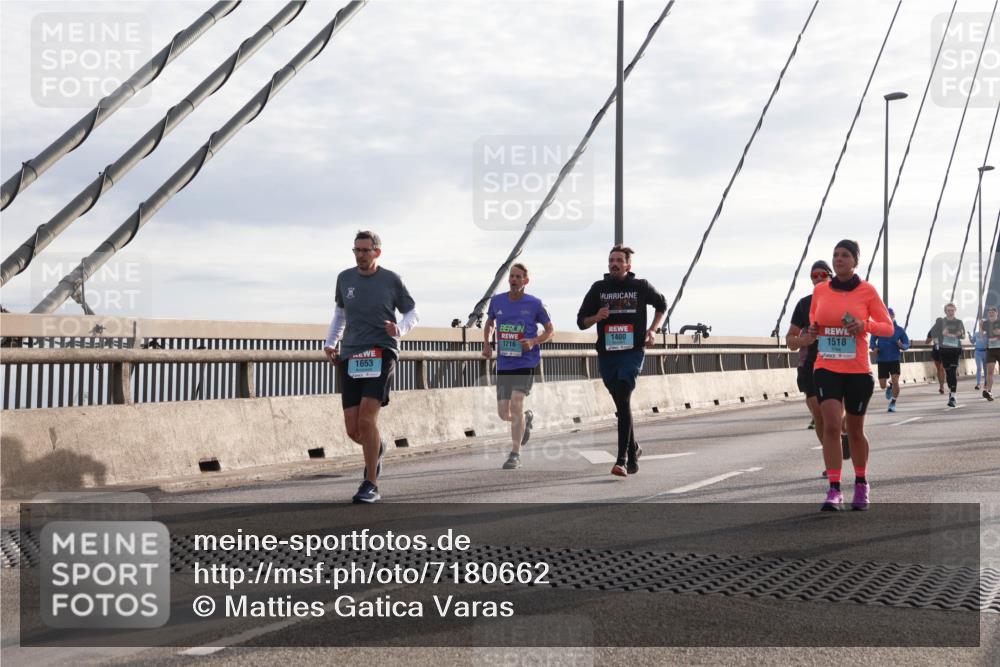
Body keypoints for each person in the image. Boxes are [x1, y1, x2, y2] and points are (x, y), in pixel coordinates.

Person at [324, 231, 418, 504]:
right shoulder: (344, 278)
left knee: (367, 419)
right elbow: (340, 314)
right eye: (356, 250)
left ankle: (371, 484)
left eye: (365, 250)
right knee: (354, 429)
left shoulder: (391, 280)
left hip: (381, 350)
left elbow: (413, 311)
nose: (360, 255)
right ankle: (376, 447)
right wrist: (331, 342)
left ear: (377, 252)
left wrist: (399, 328)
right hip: (351, 354)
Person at [807, 240, 893, 511]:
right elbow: (814, 322)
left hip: (857, 370)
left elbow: (887, 328)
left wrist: (864, 324)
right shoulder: (821, 291)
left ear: (855, 261)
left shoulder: (867, 291)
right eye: (835, 255)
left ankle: (861, 483)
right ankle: (834, 490)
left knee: (854, 431)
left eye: (845, 255)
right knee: (832, 425)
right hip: (826, 367)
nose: (839, 259)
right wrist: (811, 332)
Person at [577, 245, 666, 477]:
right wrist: (597, 317)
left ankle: (622, 460)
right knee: (622, 404)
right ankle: (634, 448)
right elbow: (581, 321)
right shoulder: (599, 288)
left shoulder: (640, 287)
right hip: (607, 354)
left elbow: (662, 305)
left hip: (632, 352)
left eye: (618, 260)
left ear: (628, 265)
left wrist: (652, 330)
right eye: (611, 260)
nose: (613, 264)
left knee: (624, 393)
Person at [482, 263, 555, 469]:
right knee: (503, 413)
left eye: (518, 277)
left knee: (516, 404)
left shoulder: (535, 304)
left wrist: (533, 341)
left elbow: (550, 331)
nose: (514, 280)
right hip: (505, 362)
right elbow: (490, 324)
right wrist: (487, 344)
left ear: (526, 281)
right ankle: (526, 418)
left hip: (525, 361)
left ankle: (515, 454)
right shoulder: (497, 301)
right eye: (511, 276)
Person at [788, 260, 850, 472]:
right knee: (818, 414)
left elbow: (857, 328)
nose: (818, 278)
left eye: (823, 274)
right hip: (811, 364)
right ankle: (831, 458)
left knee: (835, 416)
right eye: (814, 275)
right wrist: (804, 341)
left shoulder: (844, 301)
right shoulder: (804, 304)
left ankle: (843, 434)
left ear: (830, 276)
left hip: (838, 362)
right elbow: (789, 340)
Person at [869, 307, 910, 413]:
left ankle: (893, 402)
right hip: (882, 359)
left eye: (890, 315)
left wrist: (902, 345)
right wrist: (874, 348)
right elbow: (872, 341)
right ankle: (889, 386)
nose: (888, 317)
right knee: (882, 385)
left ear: (893, 316)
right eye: (886, 315)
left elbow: (907, 343)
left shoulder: (899, 330)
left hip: (894, 358)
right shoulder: (879, 328)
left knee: (895, 380)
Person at [925, 303, 966, 408]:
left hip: (955, 350)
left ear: (955, 310)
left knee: (952, 371)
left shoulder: (959, 322)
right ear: (945, 311)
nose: (951, 312)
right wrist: (940, 334)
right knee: (948, 373)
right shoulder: (940, 322)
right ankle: (951, 391)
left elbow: (963, 335)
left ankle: (953, 396)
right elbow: (930, 335)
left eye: (952, 310)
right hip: (944, 351)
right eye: (948, 310)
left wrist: (957, 334)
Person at [983, 305, 1000, 401]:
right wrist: (981, 328)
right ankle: (988, 391)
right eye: (989, 312)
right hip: (990, 349)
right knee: (990, 371)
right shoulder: (985, 323)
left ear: (997, 313)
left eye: (993, 312)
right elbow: (981, 336)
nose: (991, 314)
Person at [972, 320, 987, 391]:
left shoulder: (987, 334)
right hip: (977, 352)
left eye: (983, 324)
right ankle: (978, 384)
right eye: (980, 324)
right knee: (979, 368)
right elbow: (972, 342)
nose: (981, 325)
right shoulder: (976, 333)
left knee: (985, 369)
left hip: (986, 352)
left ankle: (986, 383)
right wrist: (970, 336)